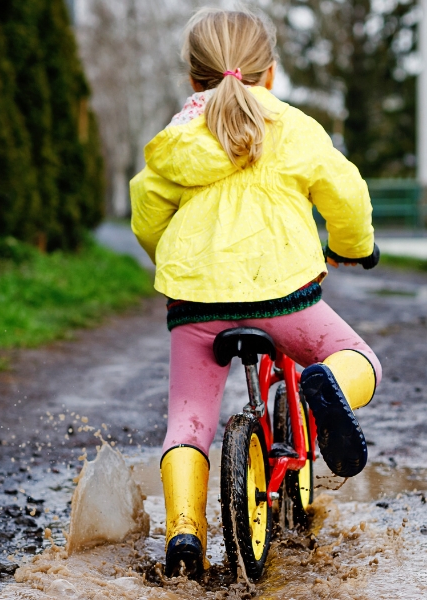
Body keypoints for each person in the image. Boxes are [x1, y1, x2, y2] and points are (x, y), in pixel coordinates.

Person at [129, 7, 383, 578]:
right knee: (359, 359)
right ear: (270, 73)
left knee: (188, 421)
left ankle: (184, 536)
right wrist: (355, 245)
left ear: (193, 78)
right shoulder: (294, 128)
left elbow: (147, 215)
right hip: (284, 298)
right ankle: (329, 386)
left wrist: (179, 263)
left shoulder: (174, 143)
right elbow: (345, 193)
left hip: (196, 307)